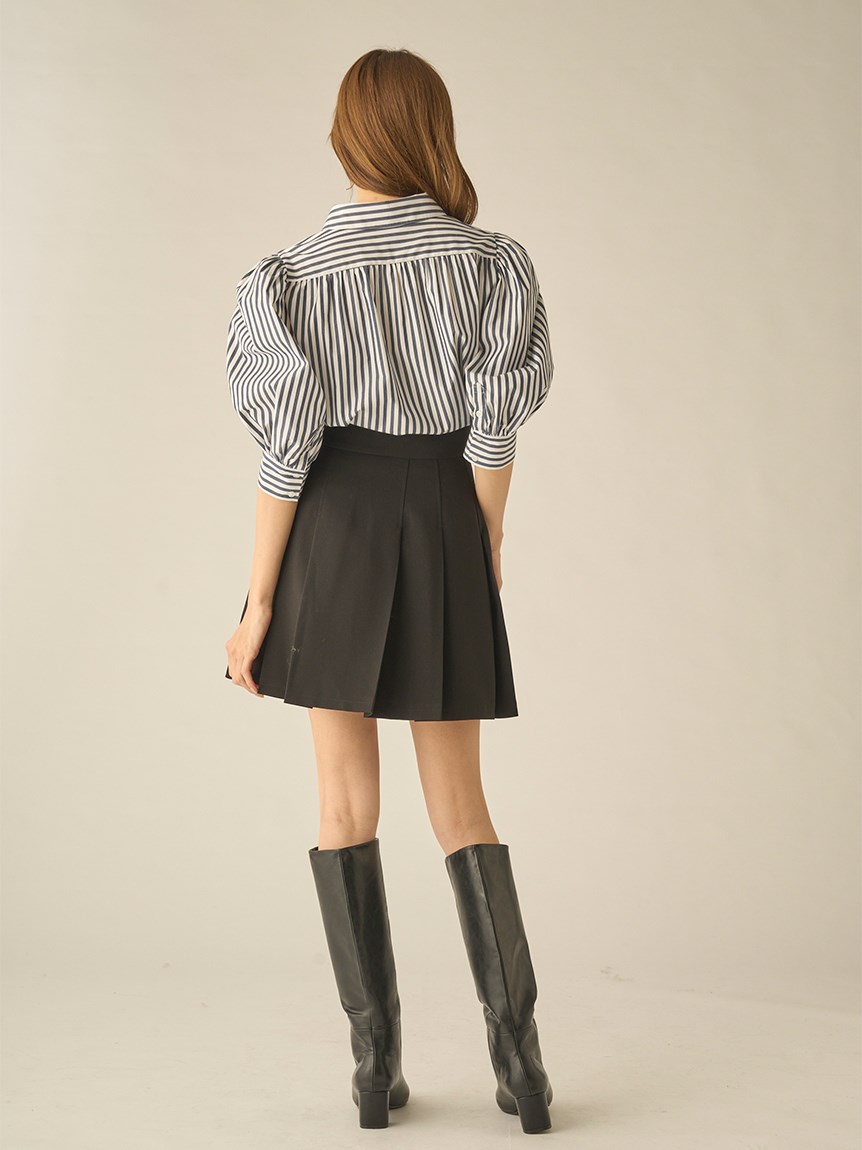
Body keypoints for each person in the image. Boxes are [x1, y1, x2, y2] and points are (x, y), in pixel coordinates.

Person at [223, 47, 555, 1135]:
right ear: (430, 130)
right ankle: (523, 1067)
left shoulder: (288, 279)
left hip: (334, 526)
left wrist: (258, 603)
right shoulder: (491, 263)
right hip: (443, 508)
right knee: (461, 805)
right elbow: (493, 426)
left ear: (345, 135)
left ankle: (374, 1070)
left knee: (340, 804)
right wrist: (482, 541)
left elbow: (286, 451)